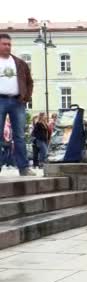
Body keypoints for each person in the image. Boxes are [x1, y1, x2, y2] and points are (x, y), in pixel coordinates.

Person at [0, 33, 35, 176]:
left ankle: (24, 168)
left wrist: (25, 98)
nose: (7, 46)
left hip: (17, 101)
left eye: (9, 44)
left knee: (20, 136)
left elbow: (29, 82)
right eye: (4, 44)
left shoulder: (19, 63)